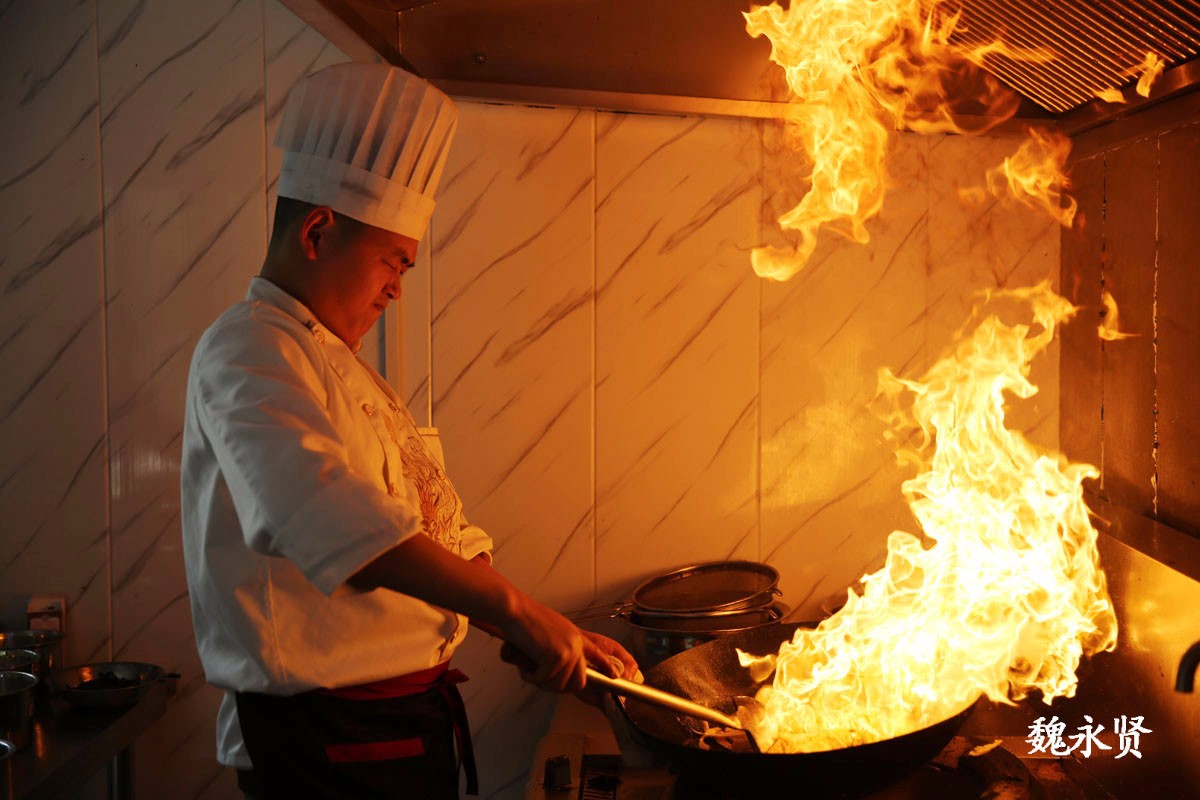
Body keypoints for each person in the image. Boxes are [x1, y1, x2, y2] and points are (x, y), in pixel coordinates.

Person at [180, 63, 639, 800]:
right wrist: (520, 614)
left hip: (398, 733)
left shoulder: (349, 370)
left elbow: (434, 535)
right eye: (394, 260)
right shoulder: (247, 350)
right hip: (324, 749)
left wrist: (539, 632)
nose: (398, 287)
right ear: (319, 230)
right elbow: (335, 524)